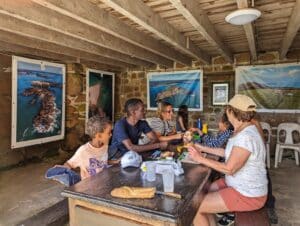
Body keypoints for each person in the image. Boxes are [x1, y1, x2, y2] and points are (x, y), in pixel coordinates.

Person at [188, 94, 268, 226]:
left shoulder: (246, 136)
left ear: (231, 111)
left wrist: (200, 158)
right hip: (237, 184)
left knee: (194, 207)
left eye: (227, 109)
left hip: (248, 193)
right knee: (201, 192)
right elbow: (228, 153)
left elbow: (229, 169)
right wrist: (203, 148)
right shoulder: (244, 130)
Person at [57, 116, 113, 180]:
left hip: (103, 182)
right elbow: (69, 164)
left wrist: (115, 162)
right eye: (109, 133)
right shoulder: (83, 151)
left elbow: (102, 162)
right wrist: (62, 168)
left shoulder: (105, 146)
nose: (111, 134)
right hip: (88, 187)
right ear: (99, 136)